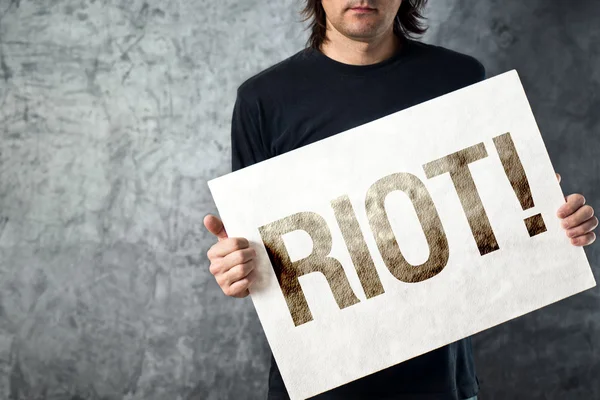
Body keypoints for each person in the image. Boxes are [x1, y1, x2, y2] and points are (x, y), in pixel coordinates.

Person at [203, 0, 598, 399]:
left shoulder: (459, 80)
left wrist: (554, 221)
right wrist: (238, 270)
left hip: (441, 383)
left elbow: (494, 223)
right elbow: (256, 258)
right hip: (318, 386)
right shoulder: (262, 102)